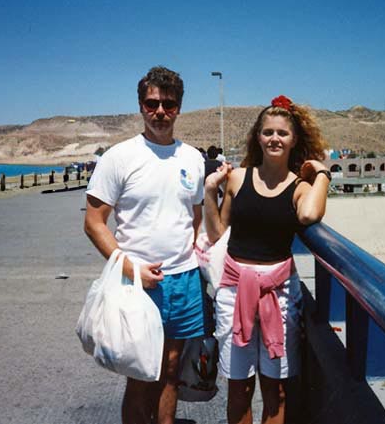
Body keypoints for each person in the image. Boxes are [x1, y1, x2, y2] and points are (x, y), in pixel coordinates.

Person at [84, 66, 209, 424]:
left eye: (168, 104)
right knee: (141, 373)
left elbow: (194, 217)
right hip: (138, 283)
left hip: (184, 280)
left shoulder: (192, 158)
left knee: (172, 369)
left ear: (179, 107)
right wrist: (130, 268)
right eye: (152, 104)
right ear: (141, 106)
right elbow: (94, 222)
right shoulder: (119, 157)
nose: (160, 112)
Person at [204, 95, 330, 424]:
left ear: (294, 139)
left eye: (282, 133)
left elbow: (309, 213)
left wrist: (322, 174)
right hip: (234, 292)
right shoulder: (237, 178)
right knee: (239, 389)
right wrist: (210, 191)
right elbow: (217, 234)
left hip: (280, 293)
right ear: (258, 137)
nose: (275, 138)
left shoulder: (299, 187)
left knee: (276, 393)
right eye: (268, 132)